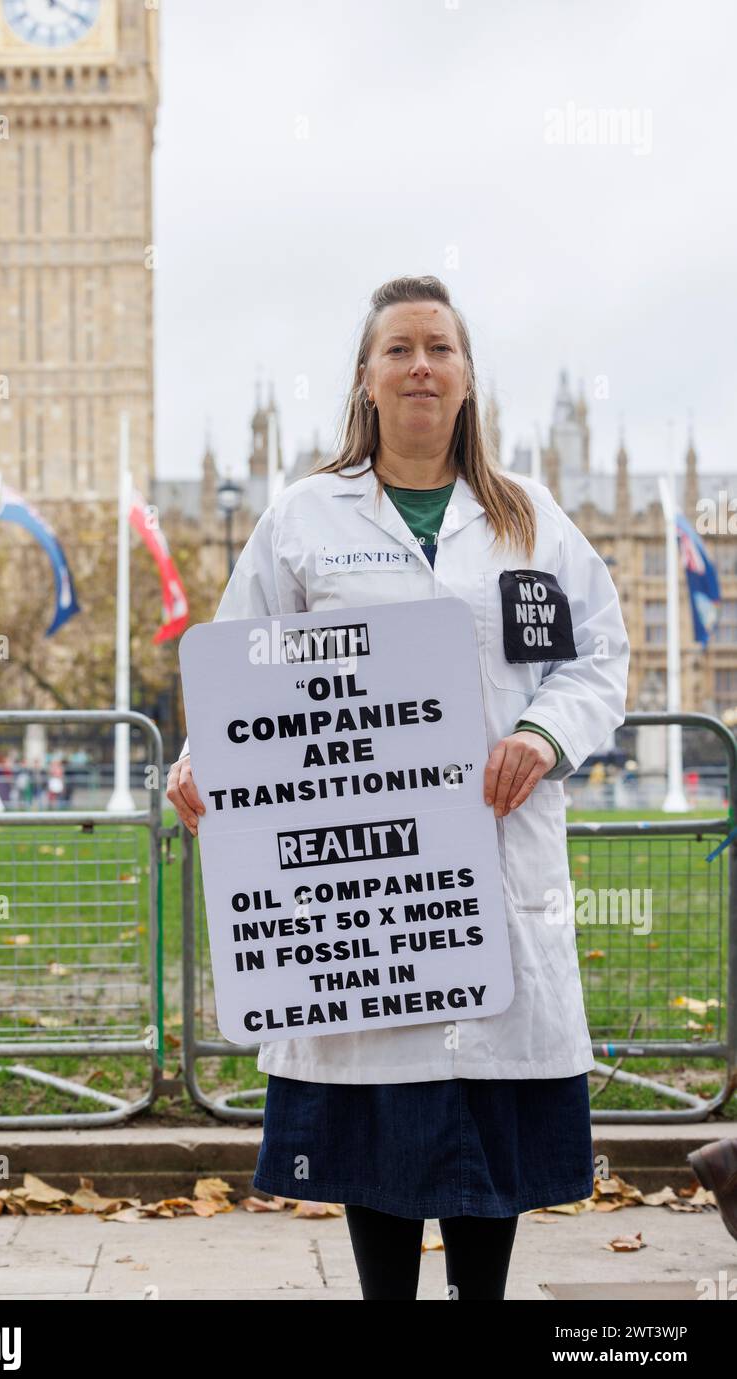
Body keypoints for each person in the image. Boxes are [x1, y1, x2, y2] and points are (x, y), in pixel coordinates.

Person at [166, 275, 630, 1300]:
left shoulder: (531, 522)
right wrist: (202, 763)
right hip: (361, 899)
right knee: (375, 1132)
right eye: (399, 350)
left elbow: (599, 658)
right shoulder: (301, 518)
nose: (422, 365)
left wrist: (544, 734)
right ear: (367, 381)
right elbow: (236, 672)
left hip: (496, 879)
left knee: (487, 1154)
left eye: (441, 348)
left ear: (467, 381)